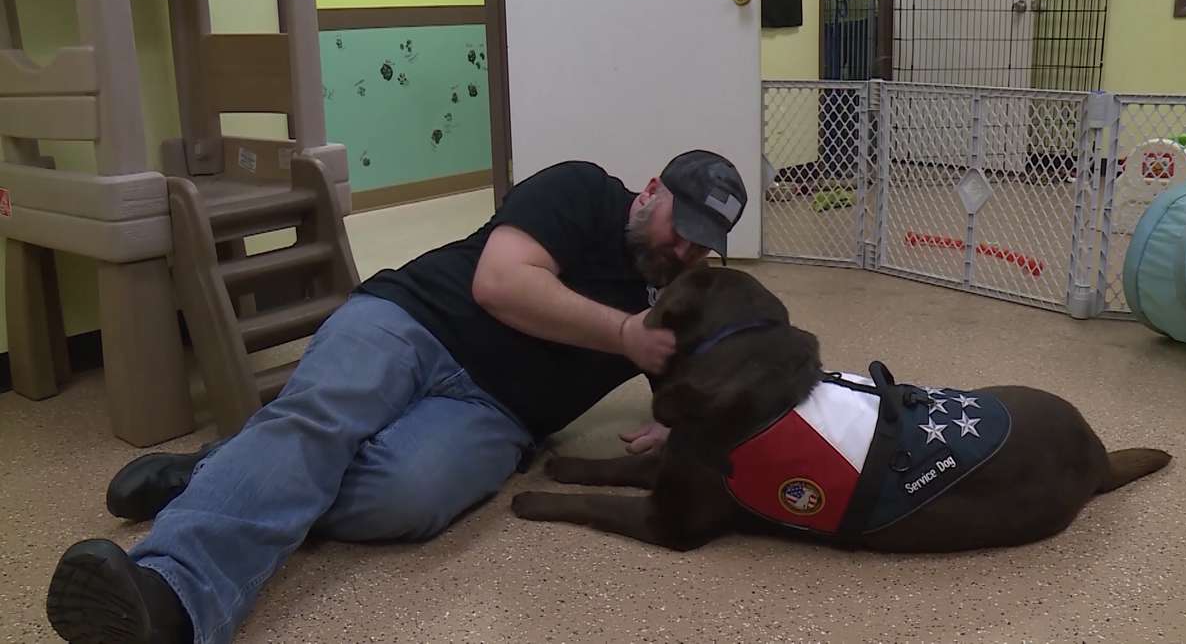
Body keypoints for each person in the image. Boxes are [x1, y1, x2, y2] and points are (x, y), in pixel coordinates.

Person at [44, 150, 749, 644]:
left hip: (495, 413)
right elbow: (500, 283)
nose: (685, 250)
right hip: (413, 318)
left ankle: (221, 471)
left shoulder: (675, 288)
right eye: (679, 229)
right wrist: (626, 332)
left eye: (703, 245)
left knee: (405, 499)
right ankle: (170, 596)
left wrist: (674, 419)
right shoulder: (581, 189)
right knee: (324, 417)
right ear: (652, 191)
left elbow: (692, 375)